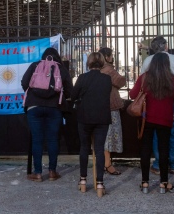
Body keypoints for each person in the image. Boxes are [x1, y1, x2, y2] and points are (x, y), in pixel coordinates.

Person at [20, 47, 73, 182]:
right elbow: (69, 90)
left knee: (37, 140)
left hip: (34, 107)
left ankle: (37, 173)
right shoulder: (61, 68)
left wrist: (34, 93)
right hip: (55, 107)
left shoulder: (35, 65)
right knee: (52, 139)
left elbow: (24, 82)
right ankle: (52, 172)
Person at [131, 52, 174, 194]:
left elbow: (133, 94)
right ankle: (164, 183)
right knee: (164, 149)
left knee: (145, 150)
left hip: (147, 119)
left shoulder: (144, 77)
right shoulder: (173, 79)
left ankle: (145, 183)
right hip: (165, 119)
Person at [141, 36, 174, 175]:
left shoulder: (148, 60)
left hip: (153, 101)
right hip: (173, 101)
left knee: (156, 133)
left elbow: (143, 81)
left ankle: (158, 163)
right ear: (165, 46)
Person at [71, 52, 112, 197]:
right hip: (102, 118)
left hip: (84, 116)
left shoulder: (82, 78)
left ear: (88, 63)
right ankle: (100, 184)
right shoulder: (107, 79)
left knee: (84, 148)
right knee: (99, 149)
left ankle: (83, 181)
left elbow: (73, 95)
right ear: (101, 63)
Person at [98, 47, 126, 175]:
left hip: (100, 106)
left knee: (103, 137)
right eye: (111, 55)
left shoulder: (97, 69)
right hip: (111, 106)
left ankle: (105, 162)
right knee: (109, 138)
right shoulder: (109, 70)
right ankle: (107, 164)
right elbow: (121, 82)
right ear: (107, 57)